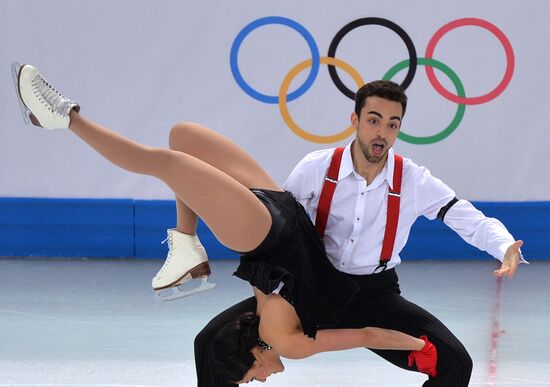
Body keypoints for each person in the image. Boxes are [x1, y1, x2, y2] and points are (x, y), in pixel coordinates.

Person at [13, 64, 439, 385]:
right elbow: (366, 332)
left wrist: (418, 346)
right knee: (180, 141)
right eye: (256, 381)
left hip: (268, 229)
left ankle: (67, 118)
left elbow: (366, 332)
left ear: (252, 357)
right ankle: (184, 242)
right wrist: (421, 347)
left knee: (174, 152)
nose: (265, 379)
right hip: (278, 214)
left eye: (253, 379)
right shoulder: (280, 334)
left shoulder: (278, 331)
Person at [185, 80, 526, 386]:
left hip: (374, 295)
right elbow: (280, 234)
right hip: (309, 287)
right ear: (355, 121)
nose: (382, 133)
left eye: (392, 125)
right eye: (374, 120)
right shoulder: (315, 169)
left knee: (455, 363)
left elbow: (467, 217)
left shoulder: (413, 180)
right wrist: (267, 295)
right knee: (209, 343)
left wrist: (504, 245)